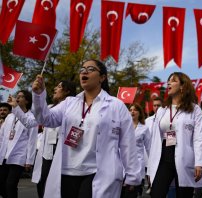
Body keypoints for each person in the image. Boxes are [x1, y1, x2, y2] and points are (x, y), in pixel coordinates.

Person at [31, 59, 141, 198]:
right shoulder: (69, 103)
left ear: (102, 77)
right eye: (82, 69)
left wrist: (132, 175)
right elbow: (45, 119)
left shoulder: (116, 106)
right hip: (67, 171)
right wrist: (39, 95)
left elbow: (127, 144)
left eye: (90, 69)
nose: (84, 72)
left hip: (97, 172)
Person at [8, 81, 76, 198]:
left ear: (67, 91)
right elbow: (29, 122)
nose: (55, 88)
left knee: (61, 189)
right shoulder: (49, 108)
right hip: (46, 155)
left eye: (59, 87)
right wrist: (15, 107)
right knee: (42, 187)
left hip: (63, 155)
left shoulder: (74, 109)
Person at [147, 72, 202, 198]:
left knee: (184, 194)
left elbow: (199, 137)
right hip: (164, 155)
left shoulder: (194, 109)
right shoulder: (162, 110)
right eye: (168, 80)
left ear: (182, 86)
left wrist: (199, 163)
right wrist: (150, 166)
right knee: (156, 193)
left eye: (173, 80)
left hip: (184, 156)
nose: (168, 83)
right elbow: (154, 139)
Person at [0, 90, 38, 198]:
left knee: (11, 184)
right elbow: (1, 136)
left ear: (27, 101)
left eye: (21, 97)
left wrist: (29, 160)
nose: (17, 98)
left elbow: (32, 140)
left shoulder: (31, 118)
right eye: (17, 96)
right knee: (1, 183)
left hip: (19, 156)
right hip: (4, 155)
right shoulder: (9, 117)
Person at [144, 97, 162, 194]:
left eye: (158, 105)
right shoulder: (147, 121)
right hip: (148, 154)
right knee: (150, 178)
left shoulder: (166, 120)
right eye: (154, 105)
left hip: (161, 155)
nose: (156, 107)